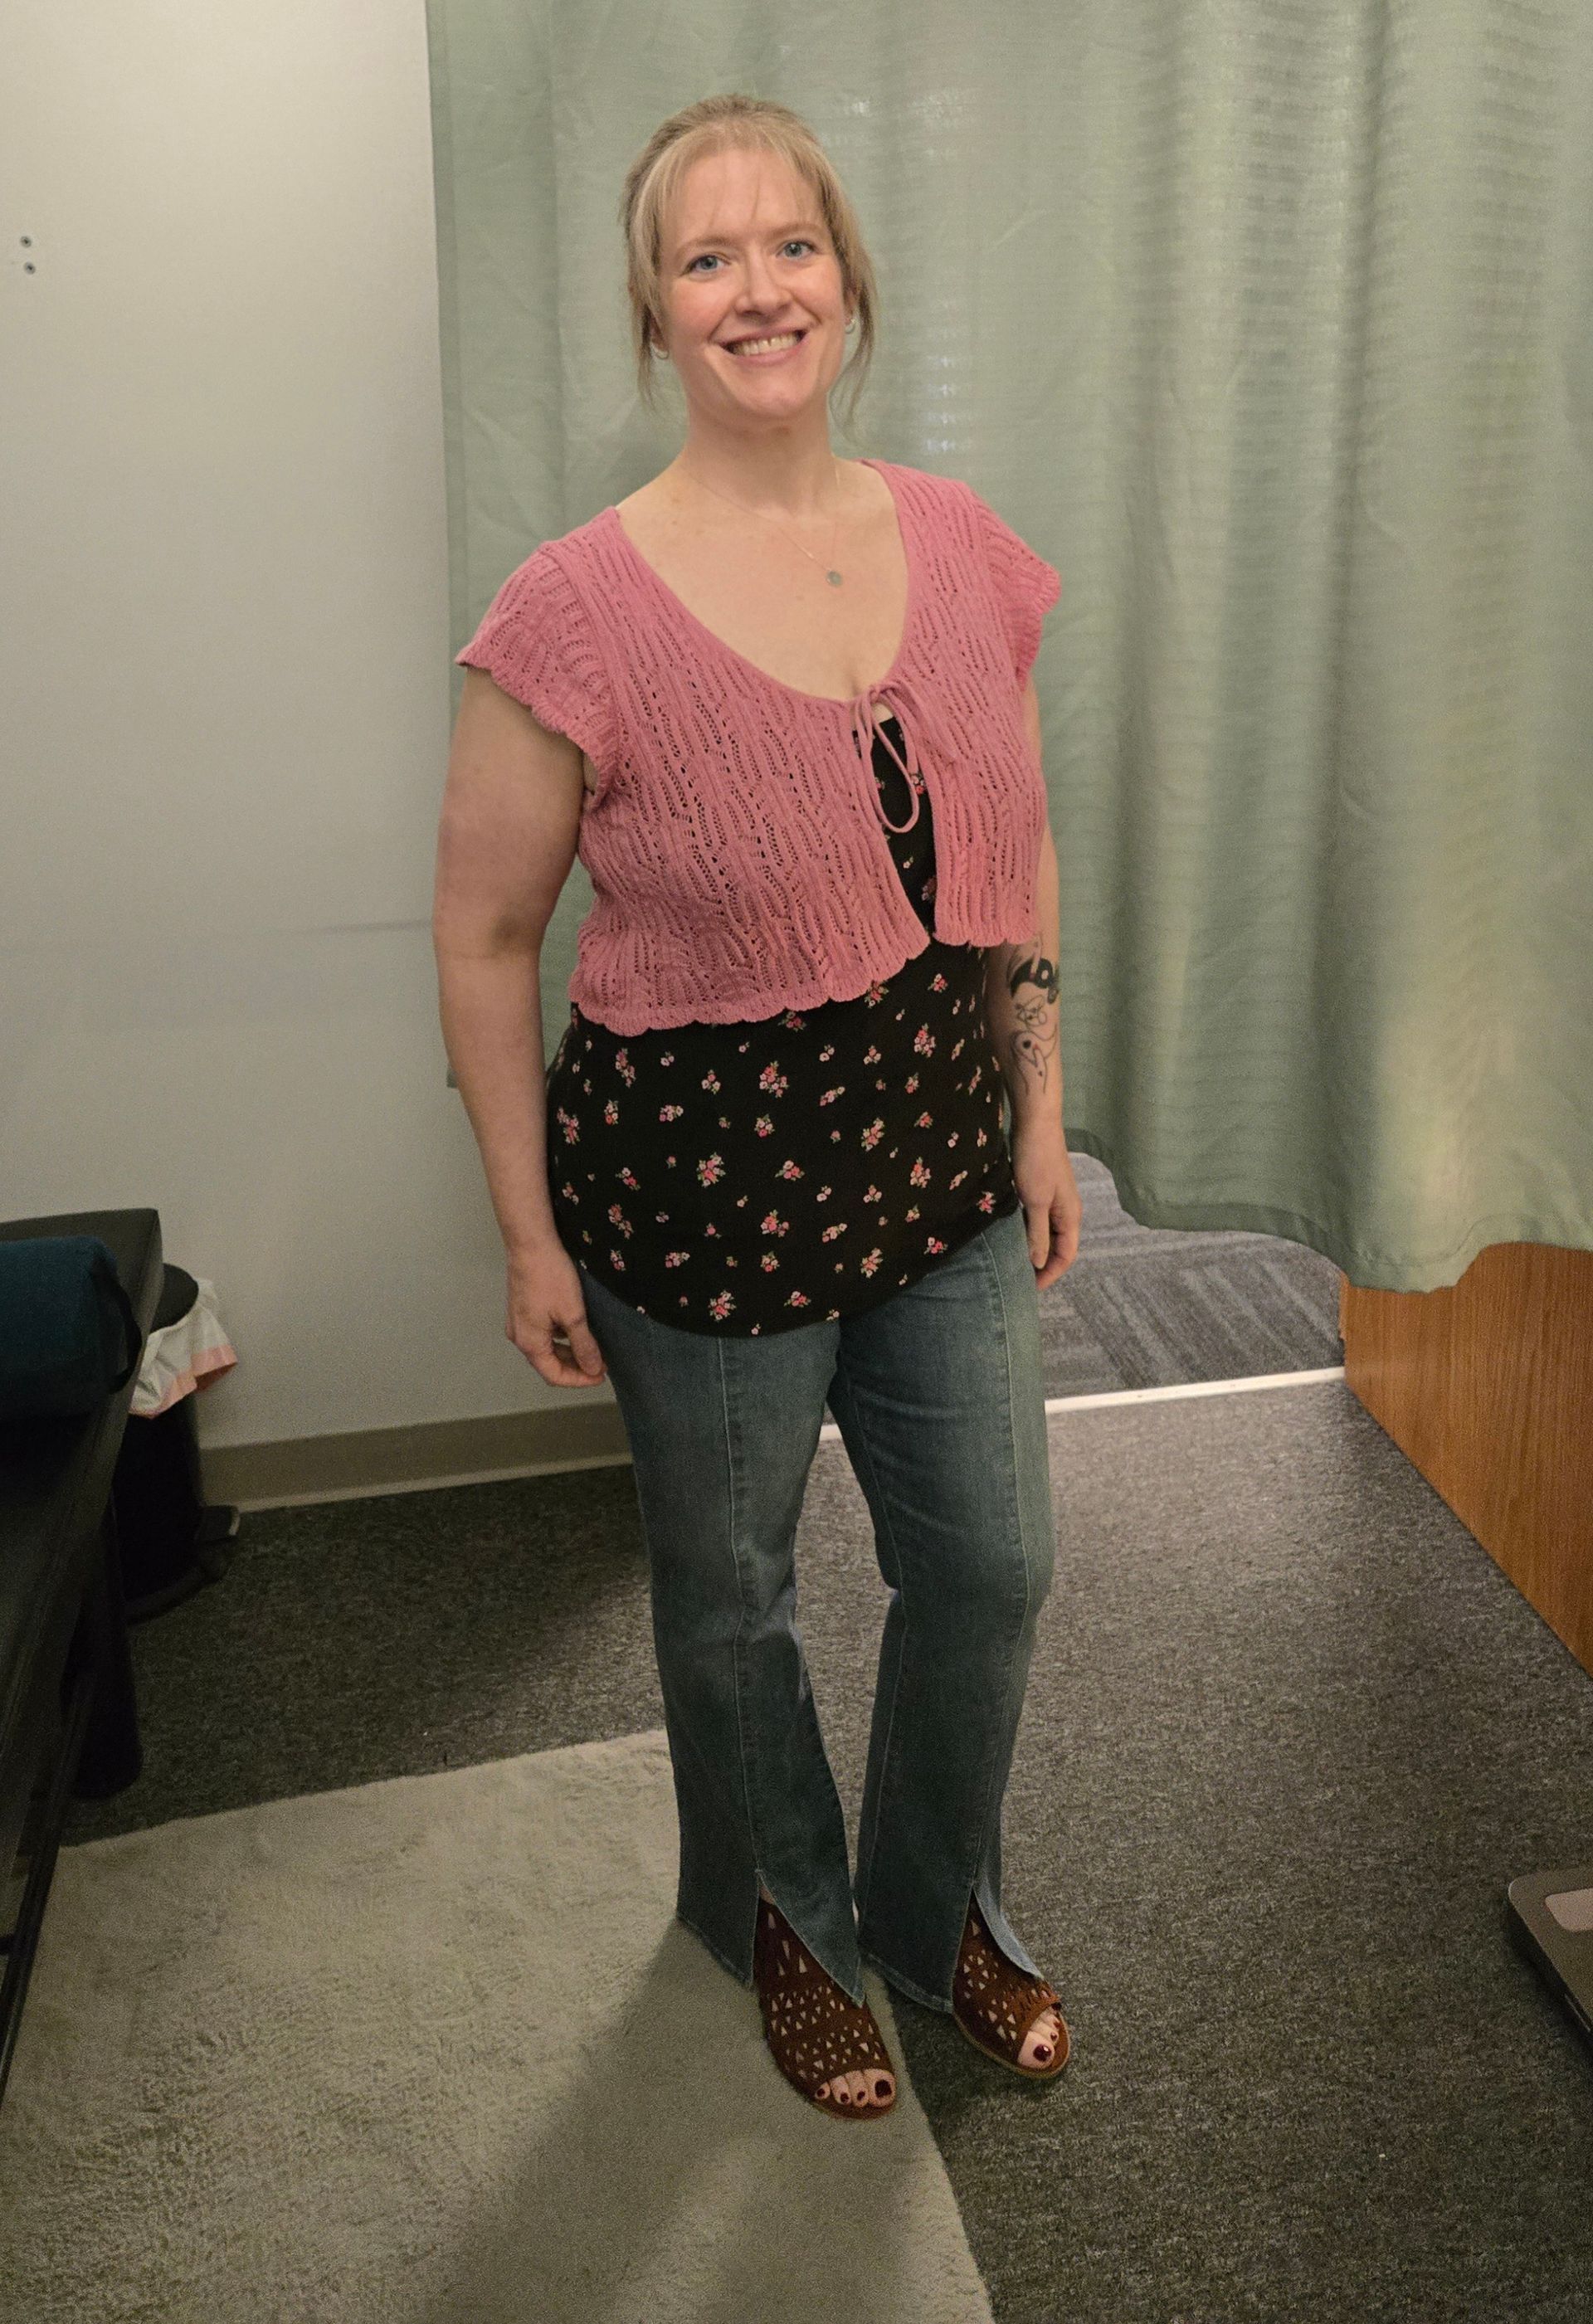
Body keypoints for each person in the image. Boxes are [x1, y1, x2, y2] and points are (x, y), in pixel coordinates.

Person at [432, 94, 1082, 2123]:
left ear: (847, 279)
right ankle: (781, 1921)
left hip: (943, 1166)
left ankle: (929, 1903)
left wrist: (1042, 1110)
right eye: (706, 259)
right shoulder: (572, 611)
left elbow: (1020, 849)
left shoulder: (962, 546)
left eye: (788, 244)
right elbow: (484, 938)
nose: (756, 288)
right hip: (700, 1206)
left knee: (989, 1566)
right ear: (653, 312)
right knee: (730, 1605)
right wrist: (531, 1232)